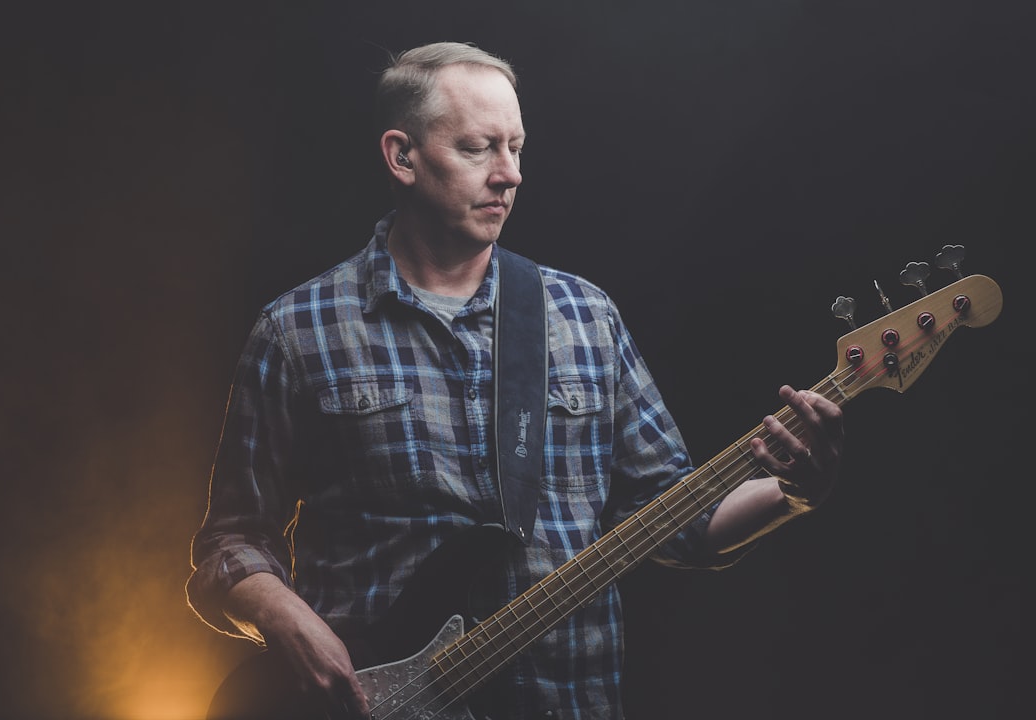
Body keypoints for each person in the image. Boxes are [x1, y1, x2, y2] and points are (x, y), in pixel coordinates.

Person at [187, 41, 844, 720]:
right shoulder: (299, 330)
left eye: (517, 147)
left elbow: (682, 522)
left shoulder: (583, 317)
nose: (510, 175)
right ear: (402, 156)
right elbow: (230, 543)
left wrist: (794, 493)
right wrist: (288, 621)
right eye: (479, 148)